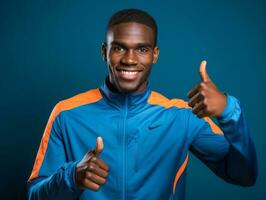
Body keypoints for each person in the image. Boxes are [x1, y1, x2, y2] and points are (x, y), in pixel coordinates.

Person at [27, 8, 258, 200]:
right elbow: (33, 195)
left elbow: (244, 176)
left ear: (155, 55)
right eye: (118, 48)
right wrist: (72, 177)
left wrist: (229, 111)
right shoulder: (66, 114)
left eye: (142, 49)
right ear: (104, 52)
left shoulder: (181, 117)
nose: (129, 59)